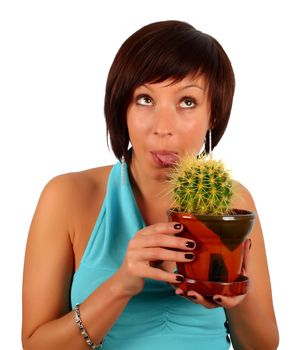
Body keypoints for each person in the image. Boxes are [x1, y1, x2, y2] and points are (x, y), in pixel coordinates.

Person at [22, 20, 279, 349]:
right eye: (145, 99)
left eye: (187, 102)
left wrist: (235, 291)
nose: (163, 127)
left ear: (214, 114)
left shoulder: (233, 199)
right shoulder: (68, 197)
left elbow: (263, 346)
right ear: (122, 108)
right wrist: (122, 284)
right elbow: (34, 344)